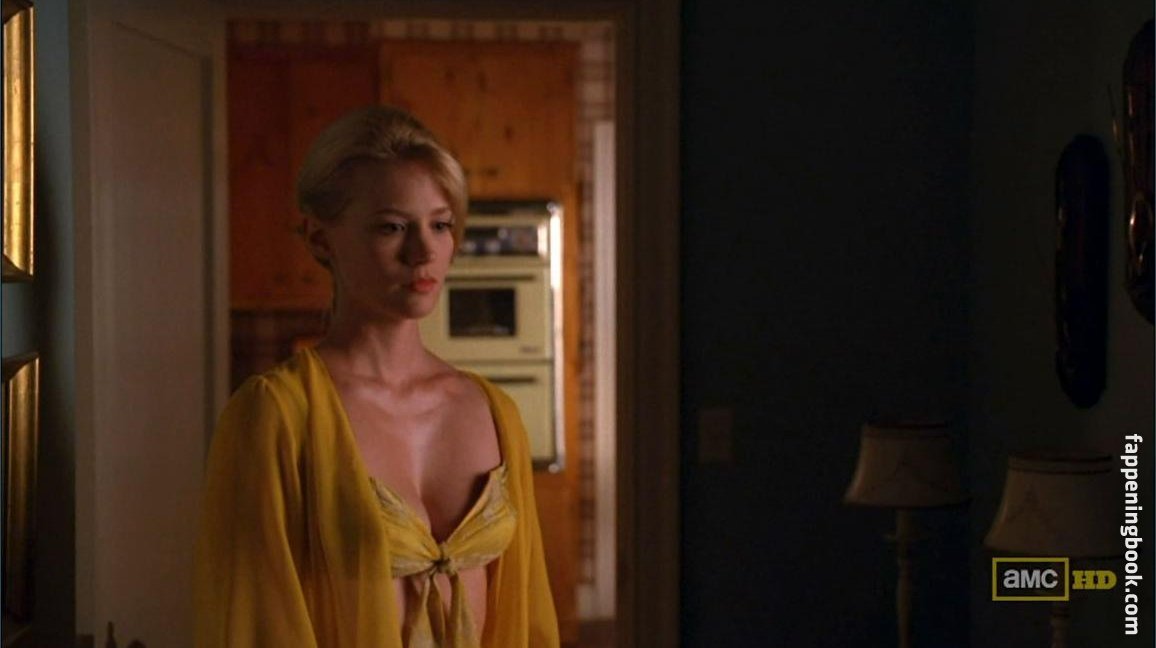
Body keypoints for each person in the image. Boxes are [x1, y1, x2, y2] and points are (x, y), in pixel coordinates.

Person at [194, 106, 559, 648]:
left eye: (440, 225)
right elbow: (255, 623)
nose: (423, 251)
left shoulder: (493, 411)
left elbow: (528, 621)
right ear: (320, 239)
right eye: (392, 227)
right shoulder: (277, 414)